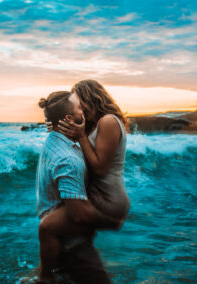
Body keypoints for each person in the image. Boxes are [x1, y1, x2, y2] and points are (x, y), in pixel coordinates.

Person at [37, 80, 130, 282]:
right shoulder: (93, 124)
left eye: (80, 103)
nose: (80, 109)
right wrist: (56, 125)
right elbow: (76, 140)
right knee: (69, 250)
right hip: (95, 196)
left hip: (106, 199)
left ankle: (44, 278)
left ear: (91, 99)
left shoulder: (108, 121)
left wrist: (80, 136)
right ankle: (52, 274)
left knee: (49, 228)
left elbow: (99, 166)